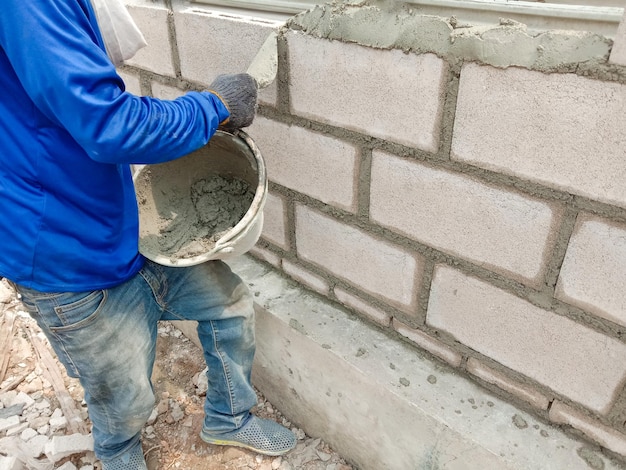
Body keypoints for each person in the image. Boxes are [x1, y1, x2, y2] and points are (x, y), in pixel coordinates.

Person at [0, 1, 296, 469]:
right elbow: (108, 124)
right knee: (126, 398)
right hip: (67, 257)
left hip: (125, 231)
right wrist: (213, 106)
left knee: (229, 304)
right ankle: (118, 452)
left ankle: (228, 418)